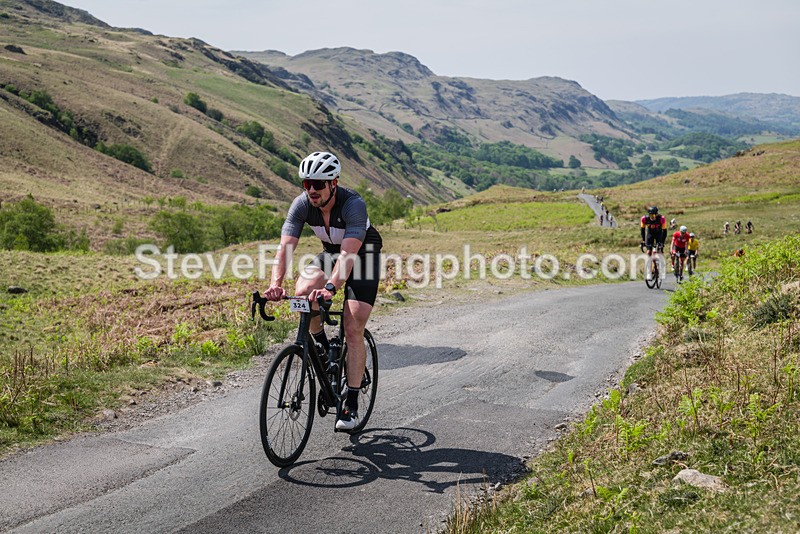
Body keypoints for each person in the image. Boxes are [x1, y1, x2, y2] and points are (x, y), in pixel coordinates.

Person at [263, 151, 383, 431]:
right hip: (332, 253)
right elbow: (285, 248)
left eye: (318, 184)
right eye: (307, 184)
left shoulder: (353, 205)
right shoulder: (302, 205)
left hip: (362, 257)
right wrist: (275, 284)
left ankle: (350, 404)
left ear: (333, 183)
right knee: (303, 291)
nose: (312, 190)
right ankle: (323, 345)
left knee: (352, 326)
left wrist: (330, 288)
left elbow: (349, 256)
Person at [641, 206, 667, 280]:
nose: (652, 217)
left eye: (653, 215)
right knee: (649, 252)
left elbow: (664, 231)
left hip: (659, 234)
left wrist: (662, 243)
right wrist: (643, 241)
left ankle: (661, 265)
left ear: (657, 214)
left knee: (659, 251)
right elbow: (642, 230)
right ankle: (649, 272)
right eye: (650, 215)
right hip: (650, 235)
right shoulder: (644, 219)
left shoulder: (661, 218)